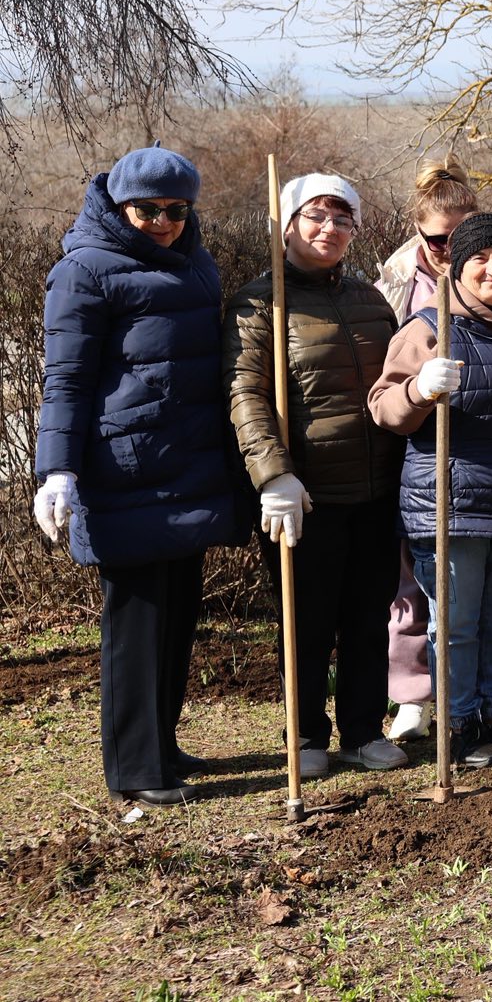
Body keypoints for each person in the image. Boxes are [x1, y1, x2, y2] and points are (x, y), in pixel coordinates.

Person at [32, 147, 243, 805]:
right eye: (147, 210)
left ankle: (162, 743)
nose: (163, 222)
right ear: (119, 206)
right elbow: (66, 378)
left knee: (177, 619)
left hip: (189, 463)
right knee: (136, 625)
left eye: (176, 210)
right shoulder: (84, 271)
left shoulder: (196, 262)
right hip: (125, 471)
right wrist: (57, 470)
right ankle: (135, 768)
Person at [369, 212, 492, 768]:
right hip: (451, 506)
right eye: (480, 258)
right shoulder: (429, 328)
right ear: (457, 267)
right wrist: (419, 389)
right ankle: (459, 724)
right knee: (456, 625)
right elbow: (383, 408)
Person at [224, 173, 407, 775]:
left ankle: (362, 730)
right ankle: (304, 735)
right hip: (306, 494)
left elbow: (395, 386)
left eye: (341, 218)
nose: (329, 228)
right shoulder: (260, 303)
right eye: (315, 216)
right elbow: (246, 393)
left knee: (368, 616)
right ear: (287, 225)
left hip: (376, 488)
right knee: (306, 622)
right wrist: (273, 474)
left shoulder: (370, 301)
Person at [377, 160, 482, 743]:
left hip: (477, 455)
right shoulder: (396, 280)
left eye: (461, 238)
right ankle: (413, 694)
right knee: (410, 582)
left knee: (460, 588)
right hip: (412, 447)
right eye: (439, 240)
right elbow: (382, 371)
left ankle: (466, 699)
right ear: (419, 232)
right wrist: (418, 388)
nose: (450, 252)